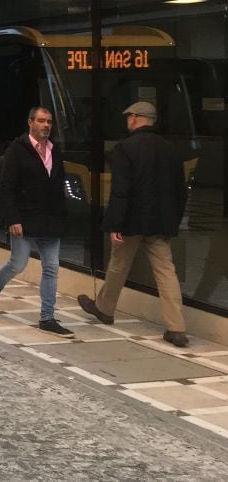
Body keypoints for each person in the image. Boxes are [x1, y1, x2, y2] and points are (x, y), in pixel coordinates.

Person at [77, 101, 190, 348]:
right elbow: (180, 191)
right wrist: (173, 221)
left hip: (131, 221)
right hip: (159, 223)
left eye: (129, 117)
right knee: (166, 272)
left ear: (137, 118)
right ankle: (177, 328)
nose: (127, 120)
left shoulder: (125, 148)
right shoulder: (171, 150)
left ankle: (105, 309)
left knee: (118, 265)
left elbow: (121, 190)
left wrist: (114, 223)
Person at [0, 106, 73, 336]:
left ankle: (47, 317)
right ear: (30, 123)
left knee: (51, 268)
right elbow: (7, 187)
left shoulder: (55, 151)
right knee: (17, 264)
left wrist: (62, 217)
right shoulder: (17, 150)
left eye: (49, 122)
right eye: (41, 121)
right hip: (25, 219)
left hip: (50, 221)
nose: (46, 126)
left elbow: (59, 185)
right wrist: (12, 218)